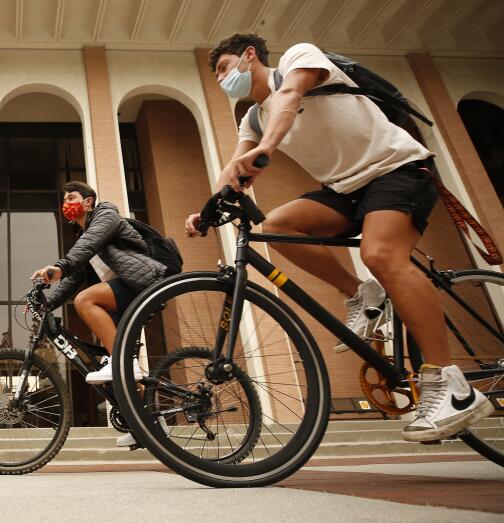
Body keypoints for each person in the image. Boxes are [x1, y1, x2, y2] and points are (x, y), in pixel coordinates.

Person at [185, 34, 493, 442]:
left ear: (249, 56)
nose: (223, 79)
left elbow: (292, 94)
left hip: (397, 170)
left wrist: (268, 150)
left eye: (224, 68)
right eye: (218, 75)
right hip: (346, 190)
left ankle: (450, 386)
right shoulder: (253, 118)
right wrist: (206, 208)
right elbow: (233, 164)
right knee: (277, 226)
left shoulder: (297, 59)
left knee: (381, 254)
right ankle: (364, 295)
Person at [32, 181, 167, 447]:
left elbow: (84, 251)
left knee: (85, 300)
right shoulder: (84, 238)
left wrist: (60, 267)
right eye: (65, 198)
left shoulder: (107, 215)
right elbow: (73, 278)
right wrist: (47, 304)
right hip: (121, 298)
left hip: (140, 284)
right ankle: (151, 423)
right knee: (117, 376)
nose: (66, 202)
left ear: (88, 201)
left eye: (71, 196)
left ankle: (121, 362)